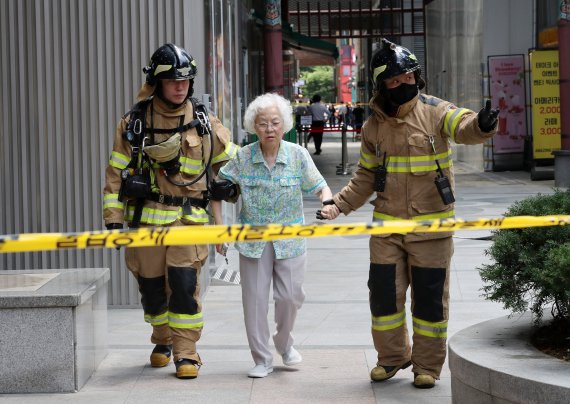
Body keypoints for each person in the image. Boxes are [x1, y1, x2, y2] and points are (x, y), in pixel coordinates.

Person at [320, 38, 498, 389]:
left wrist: (482, 125)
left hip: (432, 229)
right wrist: (338, 204)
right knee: (384, 297)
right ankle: (392, 358)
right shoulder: (374, 127)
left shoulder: (436, 111)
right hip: (387, 229)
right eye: (395, 80)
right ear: (382, 85)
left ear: (418, 77)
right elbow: (366, 176)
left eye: (409, 78)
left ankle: (427, 366)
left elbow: (463, 126)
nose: (404, 85)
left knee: (430, 301)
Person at [103, 43, 238, 379]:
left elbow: (231, 162)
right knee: (151, 290)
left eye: (185, 81)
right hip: (145, 222)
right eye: (172, 81)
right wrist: (113, 219)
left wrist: (232, 185)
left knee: (183, 285)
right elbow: (115, 172)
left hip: (188, 221)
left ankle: (186, 353)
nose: (180, 87)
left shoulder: (204, 120)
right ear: (157, 82)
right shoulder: (133, 123)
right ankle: (162, 340)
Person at [210, 93, 334, 378]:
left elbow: (320, 186)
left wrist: (328, 203)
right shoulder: (242, 157)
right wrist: (219, 230)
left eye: (275, 123)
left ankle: (284, 342)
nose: (269, 129)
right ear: (254, 126)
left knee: (291, 297)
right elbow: (216, 192)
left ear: (285, 124)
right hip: (253, 241)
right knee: (253, 301)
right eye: (262, 123)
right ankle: (262, 358)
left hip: (290, 239)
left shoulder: (297, 155)